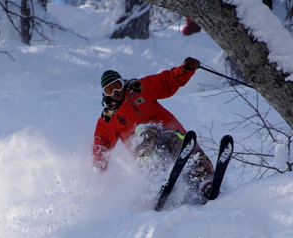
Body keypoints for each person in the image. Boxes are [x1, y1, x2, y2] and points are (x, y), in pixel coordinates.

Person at [92, 57, 215, 202]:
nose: (115, 92)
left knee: (182, 143)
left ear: (123, 82)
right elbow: (102, 141)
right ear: (105, 94)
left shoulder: (140, 88)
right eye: (109, 90)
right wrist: (99, 164)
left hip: (169, 131)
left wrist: (185, 69)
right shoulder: (108, 118)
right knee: (145, 132)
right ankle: (157, 178)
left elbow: (167, 81)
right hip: (145, 145)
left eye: (117, 86)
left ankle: (205, 180)